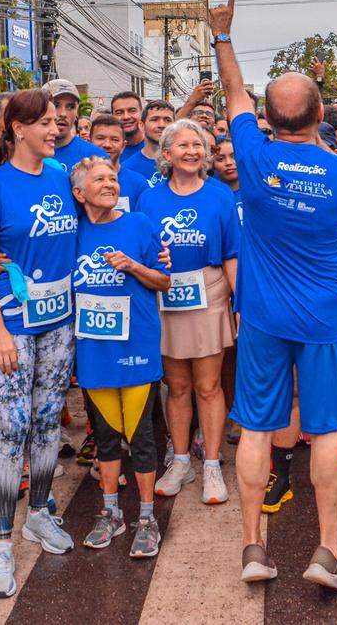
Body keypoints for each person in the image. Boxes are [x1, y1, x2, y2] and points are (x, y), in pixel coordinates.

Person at [210, 0, 337, 591]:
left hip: (261, 315)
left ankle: (254, 547)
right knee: (328, 429)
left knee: (258, 428)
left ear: (268, 118)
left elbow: (234, 93)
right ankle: (327, 550)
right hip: (323, 315)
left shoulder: (254, 158)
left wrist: (223, 35)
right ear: (321, 115)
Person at [0, 89, 79, 598]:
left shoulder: (60, 177)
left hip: (60, 324)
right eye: (47, 123)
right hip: (11, 325)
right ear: (17, 129)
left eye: (57, 121)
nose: (56, 129)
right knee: (12, 428)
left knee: (48, 420)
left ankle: (38, 514)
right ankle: (1, 543)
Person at [69, 156, 171, 556]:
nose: (110, 184)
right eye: (100, 180)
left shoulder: (139, 224)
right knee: (106, 437)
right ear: (79, 193)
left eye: (113, 178)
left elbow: (163, 280)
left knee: (141, 437)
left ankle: (147, 517)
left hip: (136, 348)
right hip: (94, 350)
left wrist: (132, 265)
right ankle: (111, 512)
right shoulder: (72, 232)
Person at [139, 119, 240, 505]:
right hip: (164, 298)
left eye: (197, 145)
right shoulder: (149, 198)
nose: (192, 151)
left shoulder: (220, 196)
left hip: (210, 293)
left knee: (208, 386)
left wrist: (239, 302)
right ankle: (181, 461)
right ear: (167, 153)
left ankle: (212, 464)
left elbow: (232, 254)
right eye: (183, 145)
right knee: (177, 386)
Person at [88, 113, 149, 212]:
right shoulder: (79, 181)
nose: (107, 144)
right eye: (100, 138)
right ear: (89, 142)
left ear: (123, 146)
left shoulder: (138, 183)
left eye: (114, 140)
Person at [122, 99, 174, 180]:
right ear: (141, 126)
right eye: (155, 119)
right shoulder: (127, 169)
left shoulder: (184, 164)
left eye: (167, 120)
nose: (161, 125)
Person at [112, 91, 147, 161]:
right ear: (112, 116)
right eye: (119, 113)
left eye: (132, 111)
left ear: (141, 113)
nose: (126, 117)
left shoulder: (156, 149)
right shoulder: (107, 151)